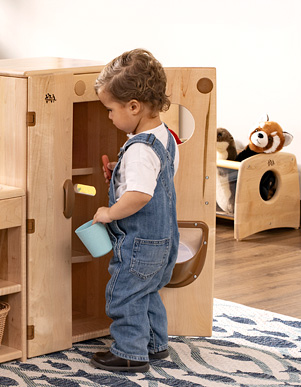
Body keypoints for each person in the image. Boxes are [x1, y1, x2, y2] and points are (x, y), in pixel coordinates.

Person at [89, 48, 180, 373]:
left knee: (125, 294)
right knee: (147, 291)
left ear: (133, 106)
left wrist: (110, 212)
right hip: (164, 241)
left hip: (140, 244)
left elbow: (140, 195)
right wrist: (121, 170)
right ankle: (155, 345)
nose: (109, 117)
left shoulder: (140, 149)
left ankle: (129, 352)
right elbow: (158, 176)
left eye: (110, 110)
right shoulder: (164, 138)